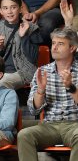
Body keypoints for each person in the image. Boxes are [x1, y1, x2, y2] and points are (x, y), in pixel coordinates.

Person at [17, 27, 78, 161]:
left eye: (60, 44)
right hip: (49, 125)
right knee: (24, 135)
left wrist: (70, 87)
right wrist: (41, 90)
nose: (54, 47)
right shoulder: (42, 71)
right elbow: (33, 110)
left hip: (75, 124)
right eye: (53, 43)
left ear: (72, 48)